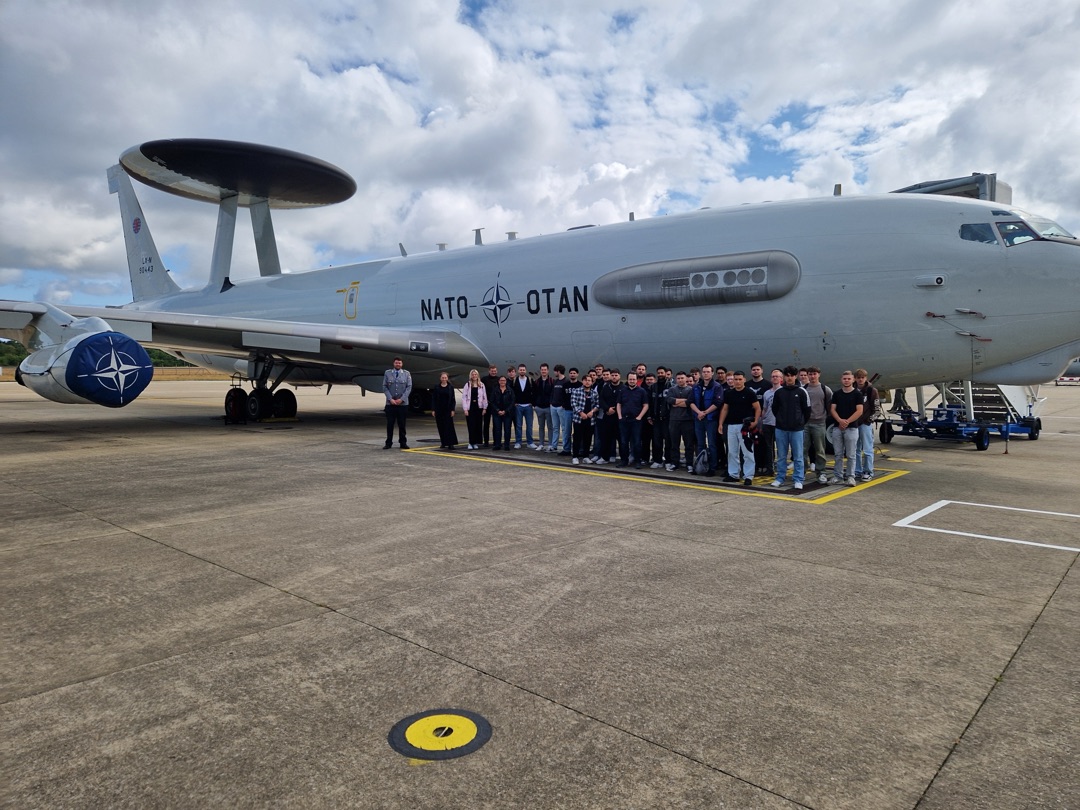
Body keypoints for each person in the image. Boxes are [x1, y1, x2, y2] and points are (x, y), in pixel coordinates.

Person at [770, 366, 811, 490]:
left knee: (798, 456)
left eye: (792, 375)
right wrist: (781, 420)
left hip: (797, 429)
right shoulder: (779, 392)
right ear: (784, 377)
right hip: (781, 429)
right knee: (781, 456)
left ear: (795, 376)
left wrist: (800, 422)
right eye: (787, 375)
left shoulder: (802, 391)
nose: (789, 378)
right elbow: (774, 408)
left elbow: (807, 410)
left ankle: (798, 479)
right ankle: (780, 478)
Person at [718, 370, 761, 485]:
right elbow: (725, 409)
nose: (737, 381)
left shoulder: (749, 393)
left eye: (739, 379)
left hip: (745, 427)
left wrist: (756, 421)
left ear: (744, 380)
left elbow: (757, 408)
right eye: (735, 379)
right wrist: (721, 423)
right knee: (732, 452)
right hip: (731, 425)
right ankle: (733, 474)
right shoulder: (729, 393)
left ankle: (748, 476)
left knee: (747, 452)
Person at [829, 370, 864, 487]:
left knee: (851, 454)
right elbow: (833, 409)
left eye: (849, 379)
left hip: (852, 428)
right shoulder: (837, 394)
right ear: (841, 380)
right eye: (844, 379)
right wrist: (840, 420)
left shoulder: (857, 394)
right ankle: (838, 476)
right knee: (838, 454)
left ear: (853, 380)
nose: (846, 381)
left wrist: (847, 421)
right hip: (837, 428)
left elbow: (859, 411)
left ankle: (850, 476)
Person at [690, 364, 723, 476]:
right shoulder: (696, 387)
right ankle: (700, 467)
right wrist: (699, 413)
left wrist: (705, 412)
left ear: (712, 373)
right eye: (704, 372)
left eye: (708, 372)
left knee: (712, 444)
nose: (706, 374)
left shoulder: (717, 387)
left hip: (711, 419)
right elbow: (691, 401)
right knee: (700, 444)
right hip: (698, 418)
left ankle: (712, 468)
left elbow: (718, 402)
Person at [803, 366, 832, 483]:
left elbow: (830, 405)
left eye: (814, 374)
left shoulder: (825, 389)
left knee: (820, 450)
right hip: (805, 423)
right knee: (803, 449)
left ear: (819, 374)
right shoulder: (804, 389)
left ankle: (821, 472)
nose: (812, 376)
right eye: (810, 374)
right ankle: (802, 471)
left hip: (819, 423)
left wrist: (824, 416)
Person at [616, 371, 649, 467]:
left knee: (637, 442)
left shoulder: (642, 391)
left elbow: (646, 405)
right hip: (624, 420)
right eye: (630, 379)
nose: (632, 381)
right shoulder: (622, 391)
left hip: (636, 421)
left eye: (634, 379)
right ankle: (624, 461)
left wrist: (639, 417)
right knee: (623, 442)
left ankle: (637, 461)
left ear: (636, 380)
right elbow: (618, 404)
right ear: (627, 379)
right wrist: (620, 416)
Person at [665, 371, 695, 472]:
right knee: (674, 444)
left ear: (686, 379)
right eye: (678, 378)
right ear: (676, 379)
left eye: (682, 378)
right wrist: (684, 401)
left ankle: (689, 463)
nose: (680, 380)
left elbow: (690, 402)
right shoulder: (672, 389)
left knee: (689, 444)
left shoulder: (691, 390)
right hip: (674, 420)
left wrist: (677, 402)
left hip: (688, 420)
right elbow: (669, 400)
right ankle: (675, 463)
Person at [853, 369, 878, 480]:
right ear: (855, 378)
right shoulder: (852, 390)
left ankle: (868, 471)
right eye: (858, 377)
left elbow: (877, 409)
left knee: (867, 449)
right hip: (854, 424)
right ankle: (857, 470)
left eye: (862, 377)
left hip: (865, 424)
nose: (860, 380)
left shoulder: (872, 391)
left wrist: (869, 420)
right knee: (855, 449)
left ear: (866, 378)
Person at [383, 356, 412, 449]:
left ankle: (403, 442)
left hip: (402, 404)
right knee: (390, 424)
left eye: (399, 363)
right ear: (393, 363)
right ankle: (388, 443)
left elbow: (409, 387)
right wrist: (390, 399)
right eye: (396, 363)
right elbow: (384, 387)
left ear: (402, 364)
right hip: (390, 404)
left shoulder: (406, 374)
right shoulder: (387, 373)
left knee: (402, 425)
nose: (398, 364)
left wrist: (402, 399)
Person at [759, 368, 783, 478]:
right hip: (768, 423)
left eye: (777, 376)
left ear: (781, 378)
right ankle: (770, 468)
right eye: (773, 376)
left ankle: (781, 468)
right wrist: (761, 422)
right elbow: (764, 409)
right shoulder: (767, 393)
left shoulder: (783, 392)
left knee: (781, 447)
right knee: (768, 447)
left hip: (779, 423)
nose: (775, 378)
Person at [570, 372, 599, 464]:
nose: (587, 382)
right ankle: (575, 456)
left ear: (592, 382)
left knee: (588, 438)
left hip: (590, 420)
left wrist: (592, 411)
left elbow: (597, 404)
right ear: (582, 381)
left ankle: (586, 456)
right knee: (577, 438)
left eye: (589, 380)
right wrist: (581, 413)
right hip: (578, 419)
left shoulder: (594, 393)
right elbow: (573, 403)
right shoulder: (576, 391)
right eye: (585, 380)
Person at [461, 368, 488, 449]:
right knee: (471, 426)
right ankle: (470, 442)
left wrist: (484, 408)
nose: (474, 376)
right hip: (470, 407)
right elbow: (464, 398)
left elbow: (484, 397)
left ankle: (475, 442)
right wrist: (465, 409)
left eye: (475, 374)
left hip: (479, 407)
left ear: (478, 375)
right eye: (473, 374)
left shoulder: (481, 385)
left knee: (478, 425)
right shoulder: (467, 385)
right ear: (470, 376)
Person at [432, 372, 459, 449]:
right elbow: (434, 399)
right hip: (439, 409)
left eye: (445, 378)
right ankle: (443, 442)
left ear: (447, 378)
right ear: (440, 378)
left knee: (449, 426)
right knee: (441, 426)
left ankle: (451, 443)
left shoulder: (450, 387)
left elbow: (453, 399)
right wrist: (433, 409)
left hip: (448, 409)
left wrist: (452, 409)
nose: (444, 379)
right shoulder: (436, 387)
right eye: (442, 378)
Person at [513, 363, 537, 449]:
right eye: (520, 370)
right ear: (518, 371)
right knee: (518, 425)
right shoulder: (515, 380)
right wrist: (514, 402)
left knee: (529, 425)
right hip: (518, 406)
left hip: (528, 406)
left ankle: (530, 442)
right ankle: (518, 442)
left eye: (523, 370)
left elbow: (535, 392)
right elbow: (512, 393)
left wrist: (532, 403)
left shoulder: (530, 380)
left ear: (525, 371)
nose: (522, 371)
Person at [489, 376, 516, 450]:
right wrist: (498, 410)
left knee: (507, 430)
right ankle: (497, 445)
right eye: (501, 380)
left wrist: (505, 411)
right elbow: (492, 401)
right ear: (499, 381)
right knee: (497, 429)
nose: (502, 382)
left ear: (506, 381)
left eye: (504, 380)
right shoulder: (495, 390)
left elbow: (512, 402)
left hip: (507, 413)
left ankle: (506, 445)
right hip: (497, 413)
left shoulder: (510, 390)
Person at [548, 364, 569, 453]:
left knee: (564, 428)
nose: (554, 373)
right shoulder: (555, 381)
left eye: (555, 371)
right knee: (555, 427)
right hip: (553, 406)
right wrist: (551, 402)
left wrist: (563, 405)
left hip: (561, 408)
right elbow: (552, 392)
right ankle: (554, 445)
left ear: (558, 371)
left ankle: (565, 446)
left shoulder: (566, 382)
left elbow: (567, 395)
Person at [533, 363, 554, 451]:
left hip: (548, 407)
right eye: (542, 370)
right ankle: (541, 444)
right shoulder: (537, 382)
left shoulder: (552, 381)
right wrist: (535, 405)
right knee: (541, 427)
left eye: (545, 370)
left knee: (550, 427)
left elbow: (553, 394)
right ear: (540, 371)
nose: (543, 371)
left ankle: (550, 444)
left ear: (548, 370)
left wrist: (551, 403)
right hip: (539, 408)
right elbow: (534, 394)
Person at [481, 364, 500, 447]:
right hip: (487, 404)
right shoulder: (484, 379)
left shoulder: (499, 379)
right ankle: (486, 441)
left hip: (495, 405)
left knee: (496, 424)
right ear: (489, 371)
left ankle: (496, 441)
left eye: (495, 371)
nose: (493, 372)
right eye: (492, 371)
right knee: (486, 424)